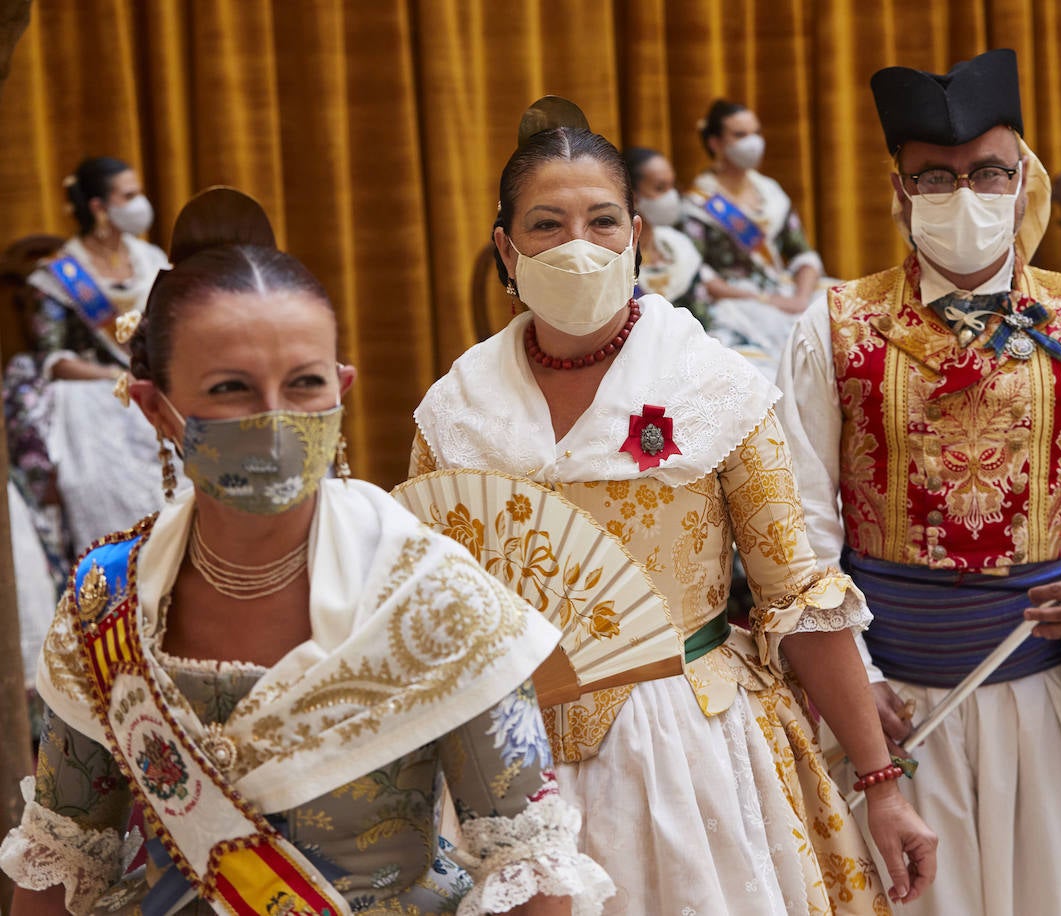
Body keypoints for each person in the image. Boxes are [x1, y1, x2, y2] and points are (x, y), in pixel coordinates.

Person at [0, 188, 612, 915]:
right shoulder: (107, 599)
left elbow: (531, 870)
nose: (275, 418)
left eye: (305, 384)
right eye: (230, 388)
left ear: (342, 390)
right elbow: (60, 858)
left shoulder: (433, 594)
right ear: (155, 409)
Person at [412, 99, 937, 915]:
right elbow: (426, 610)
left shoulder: (713, 387)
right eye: (547, 225)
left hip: (686, 746)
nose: (577, 245)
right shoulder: (456, 408)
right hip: (501, 764)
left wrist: (881, 784)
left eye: (602, 221)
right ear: (505, 249)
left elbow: (795, 596)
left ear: (639, 240)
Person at [776, 49, 1061, 915]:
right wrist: (855, 672)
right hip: (889, 699)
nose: (963, 194)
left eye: (987, 171)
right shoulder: (832, 328)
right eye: (936, 176)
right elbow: (796, 524)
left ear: (1021, 178)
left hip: (1047, 693)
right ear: (900, 187)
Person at [5, 157, 172, 570]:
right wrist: (116, 375)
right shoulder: (60, 274)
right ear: (98, 206)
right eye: (129, 196)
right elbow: (53, 358)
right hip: (90, 387)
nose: (140, 205)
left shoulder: (151, 259)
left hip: (153, 378)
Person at [682, 99, 835, 378]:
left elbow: (802, 253)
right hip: (737, 303)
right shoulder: (699, 204)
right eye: (740, 135)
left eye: (756, 133)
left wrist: (800, 297)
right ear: (715, 143)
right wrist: (765, 299)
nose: (753, 142)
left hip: (786, 292)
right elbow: (697, 273)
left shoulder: (771, 192)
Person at [623, 146, 708, 325]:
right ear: (632, 195)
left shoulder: (680, 246)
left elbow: (702, 316)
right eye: (660, 188)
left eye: (672, 186)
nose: (671, 196)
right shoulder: (619, 257)